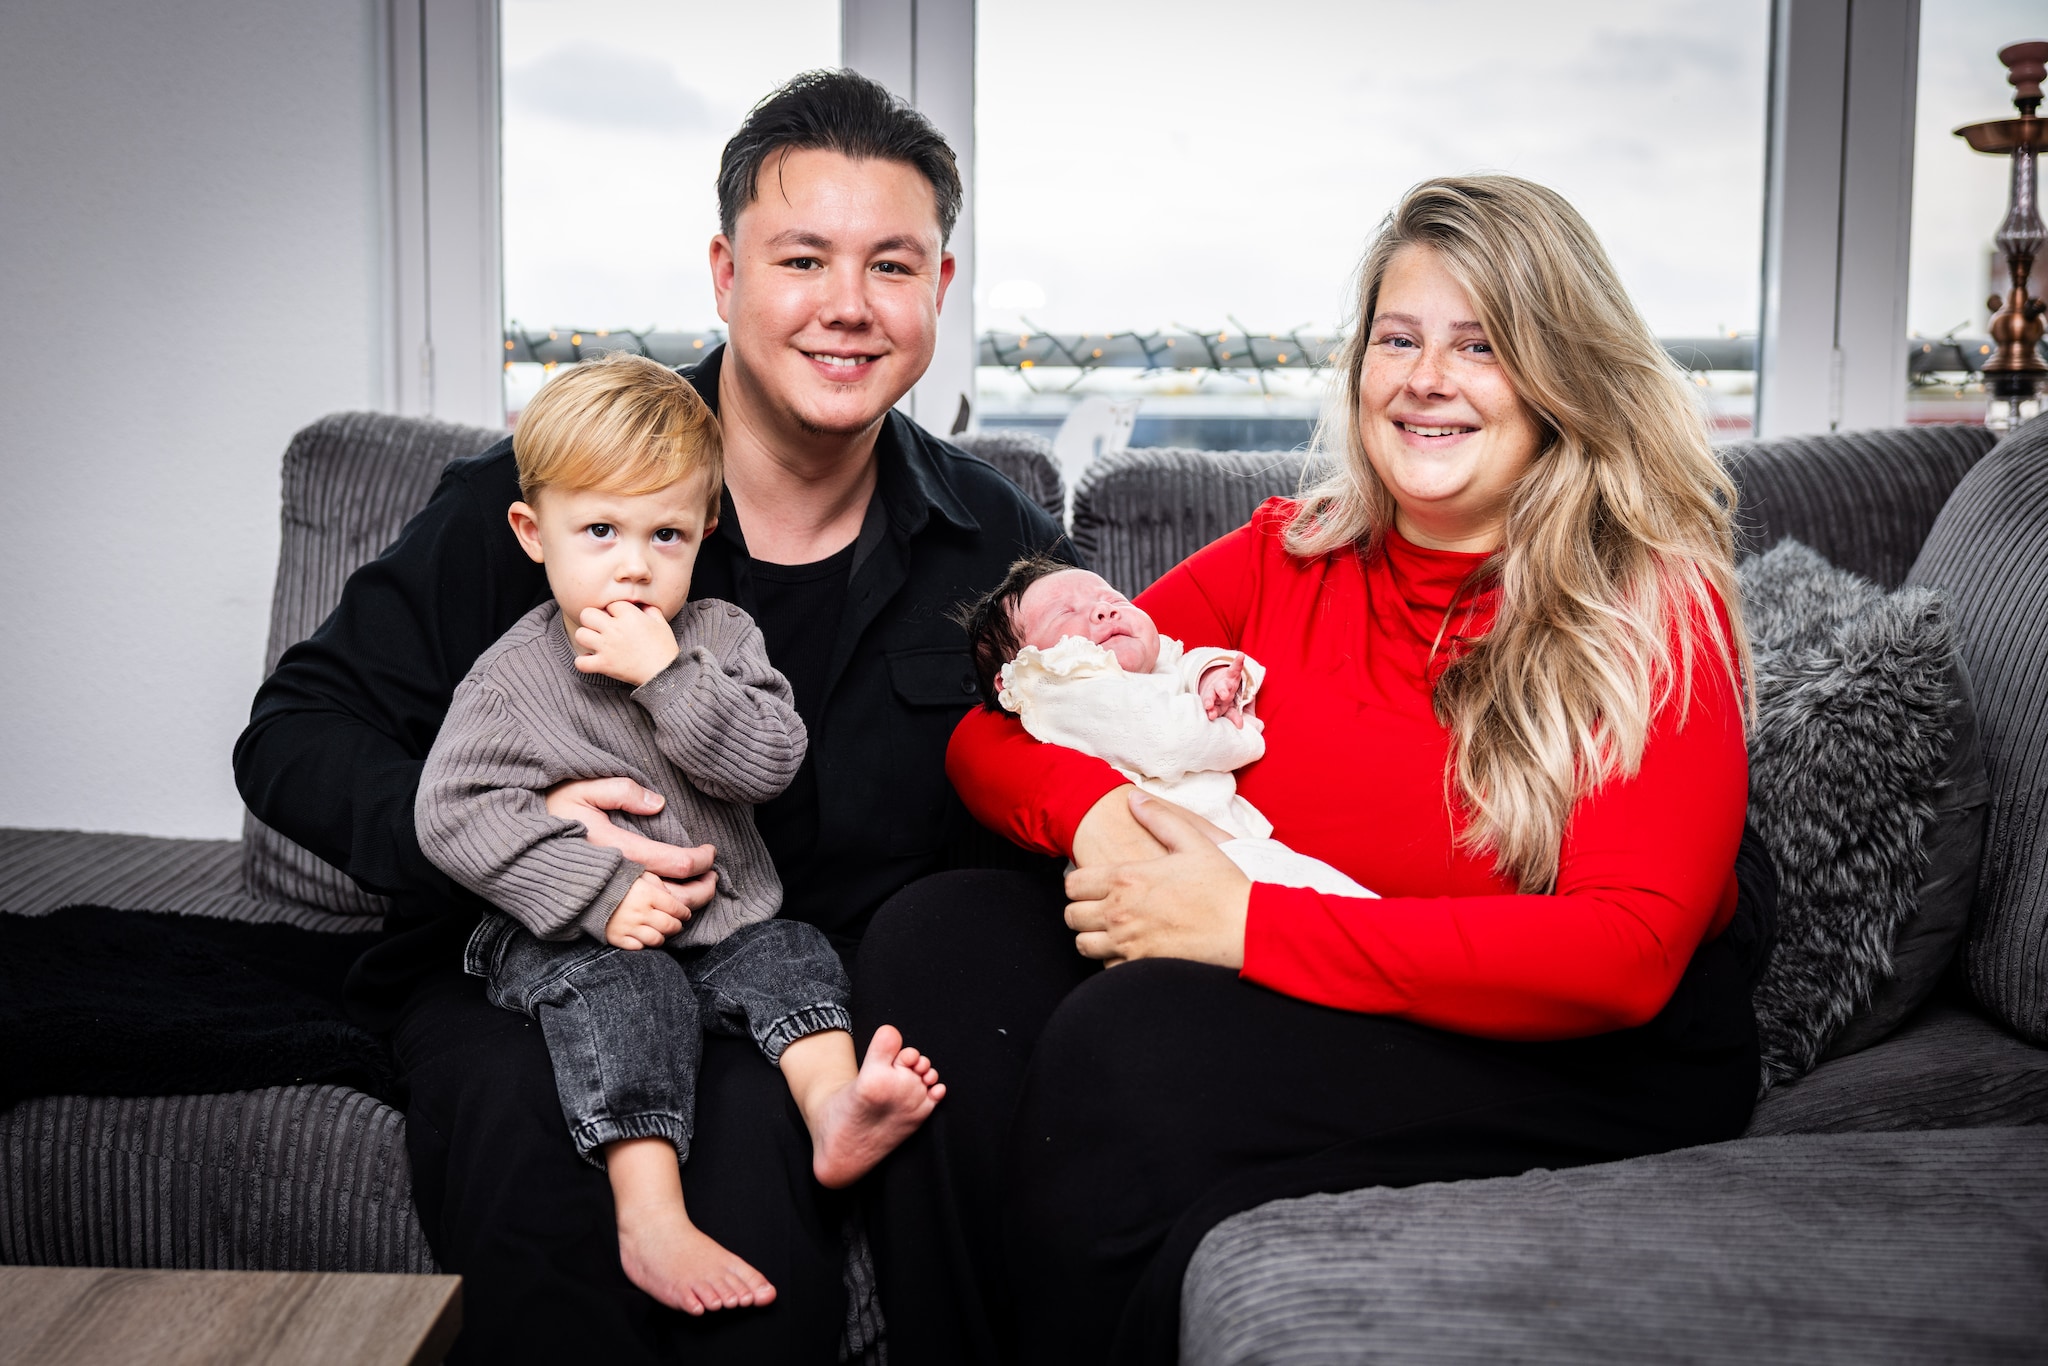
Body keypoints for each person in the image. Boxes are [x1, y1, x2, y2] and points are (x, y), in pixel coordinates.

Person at [854, 174, 1778, 1366]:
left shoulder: (1648, 601)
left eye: (1480, 345)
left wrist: (1242, 921)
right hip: (1305, 969)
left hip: (1579, 1045)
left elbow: (1624, 955)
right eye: (1396, 339)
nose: (1424, 378)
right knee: (935, 941)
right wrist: (1104, 827)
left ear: (1562, 376)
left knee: (1134, 1044)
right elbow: (998, 730)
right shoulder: (1282, 553)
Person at [235, 69, 1069, 1364]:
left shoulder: (997, 544)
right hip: (523, 967)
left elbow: (1074, 782)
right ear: (726, 270)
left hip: (792, 989)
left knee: (756, 1233)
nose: (848, 305)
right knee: (548, 1176)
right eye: (803, 257)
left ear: (941, 294)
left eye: (891, 265)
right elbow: (293, 733)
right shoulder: (549, 494)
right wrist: (529, 832)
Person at [414, 354, 944, 1319]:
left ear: (706, 529)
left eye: (665, 534)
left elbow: (769, 762)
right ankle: (649, 1213)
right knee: (634, 995)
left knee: (797, 956)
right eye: (601, 531)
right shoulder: (510, 678)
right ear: (535, 535)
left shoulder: (721, 638)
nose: (633, 564)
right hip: (565, 938)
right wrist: (600, 892)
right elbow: (454, 813)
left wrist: (669, 678)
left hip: (727, 925)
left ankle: (835, 1112)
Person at [958, 554, 1373, 897]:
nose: (1105, 609)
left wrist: (1211, 677)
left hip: (1229, 846)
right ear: (1013, 676)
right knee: (1332, 906)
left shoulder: (1149, 663)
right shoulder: (1059, 689)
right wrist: (1238, 733)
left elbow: (1183, 658)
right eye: (1065, 613)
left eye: (1113, 598)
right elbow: (1170, 739)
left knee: (1331, 906)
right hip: (1155, 864)